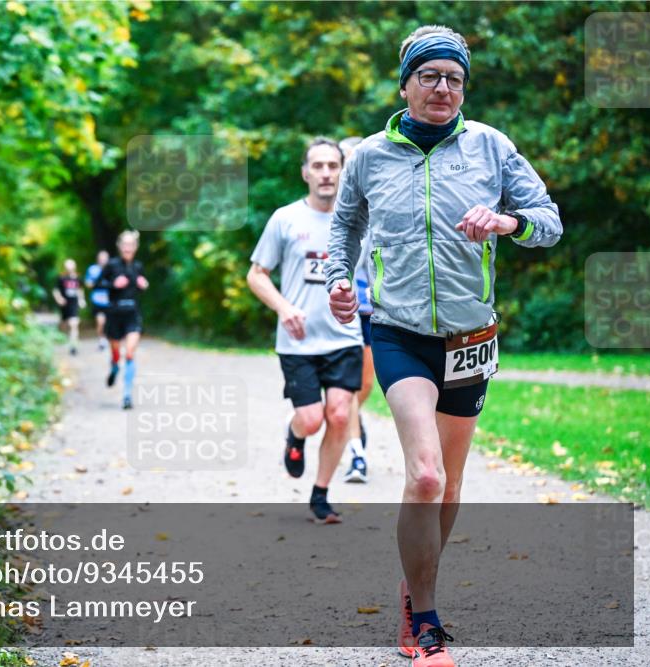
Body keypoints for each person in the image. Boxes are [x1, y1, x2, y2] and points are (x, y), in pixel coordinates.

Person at [324, 25, 562, 666]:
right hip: (399, 332)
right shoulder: (370, 155)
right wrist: (339, 279)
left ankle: (415, 581)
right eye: (429, 76)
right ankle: (424, 623)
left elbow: (549, 222)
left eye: (454, 78)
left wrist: (509, 221)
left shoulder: (491, 147)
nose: (443, 88)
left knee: (450, 484)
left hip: (470, 337)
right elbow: (345, 225)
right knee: (425, 474)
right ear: (405, 84)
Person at [247, 137, 364, 524]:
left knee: (342, 416)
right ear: (305, 173)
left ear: (343, 170)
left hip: (345, 336)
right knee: (312, 418)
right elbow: (257, 274)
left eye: (333, 165)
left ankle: (321, 494)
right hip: (298, 341)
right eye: (318, 166)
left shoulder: (362, 219)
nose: (327, 173)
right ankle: (295, 436)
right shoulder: (285, 219)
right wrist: (283, 307)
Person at [338, 136, 375, 484]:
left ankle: (349, 419)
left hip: (374, 309)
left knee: (366, 384)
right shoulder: (333, 210)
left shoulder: (380, 202)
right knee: (348, 386)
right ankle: (356, 453)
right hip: (342, 310)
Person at [98, 231, 148, 410]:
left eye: (131, 245)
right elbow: (96, 284)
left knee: (130, 353)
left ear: (135, 247)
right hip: (114, 314)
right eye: (125, 244)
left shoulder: (138, 267)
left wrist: (143, 285)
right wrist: (112, 284)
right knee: (117, 353)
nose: (128, 248)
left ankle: (127, 396)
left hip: (132, 314)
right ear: (120, 246)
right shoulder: (111, 265)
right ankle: (114, 367)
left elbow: (139, 287)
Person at [52, 259, 85, 356]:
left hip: (74, 304)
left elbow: (80, 290)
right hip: (64, 305)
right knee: (64, 325)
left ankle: (73, 346)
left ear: (74, 266)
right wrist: (59, 299)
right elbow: (55, 290)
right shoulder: (61, 278)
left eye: (71, 265)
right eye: (67, 266)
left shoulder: (78, 278)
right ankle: (63, 339)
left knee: (74, 324)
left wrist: (81, 300)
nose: (69, 267)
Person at [84, 250, 111, 350]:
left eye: (105, 258)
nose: (103, 260)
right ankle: (101, 339)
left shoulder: (112, 269)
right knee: (101, 322)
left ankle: (108, 339)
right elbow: (87, 283)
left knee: (109, 322)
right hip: (97, 300)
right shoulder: (92, 269)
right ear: (98, 259)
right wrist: (96, 283)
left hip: (110, 300)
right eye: (101, 258)